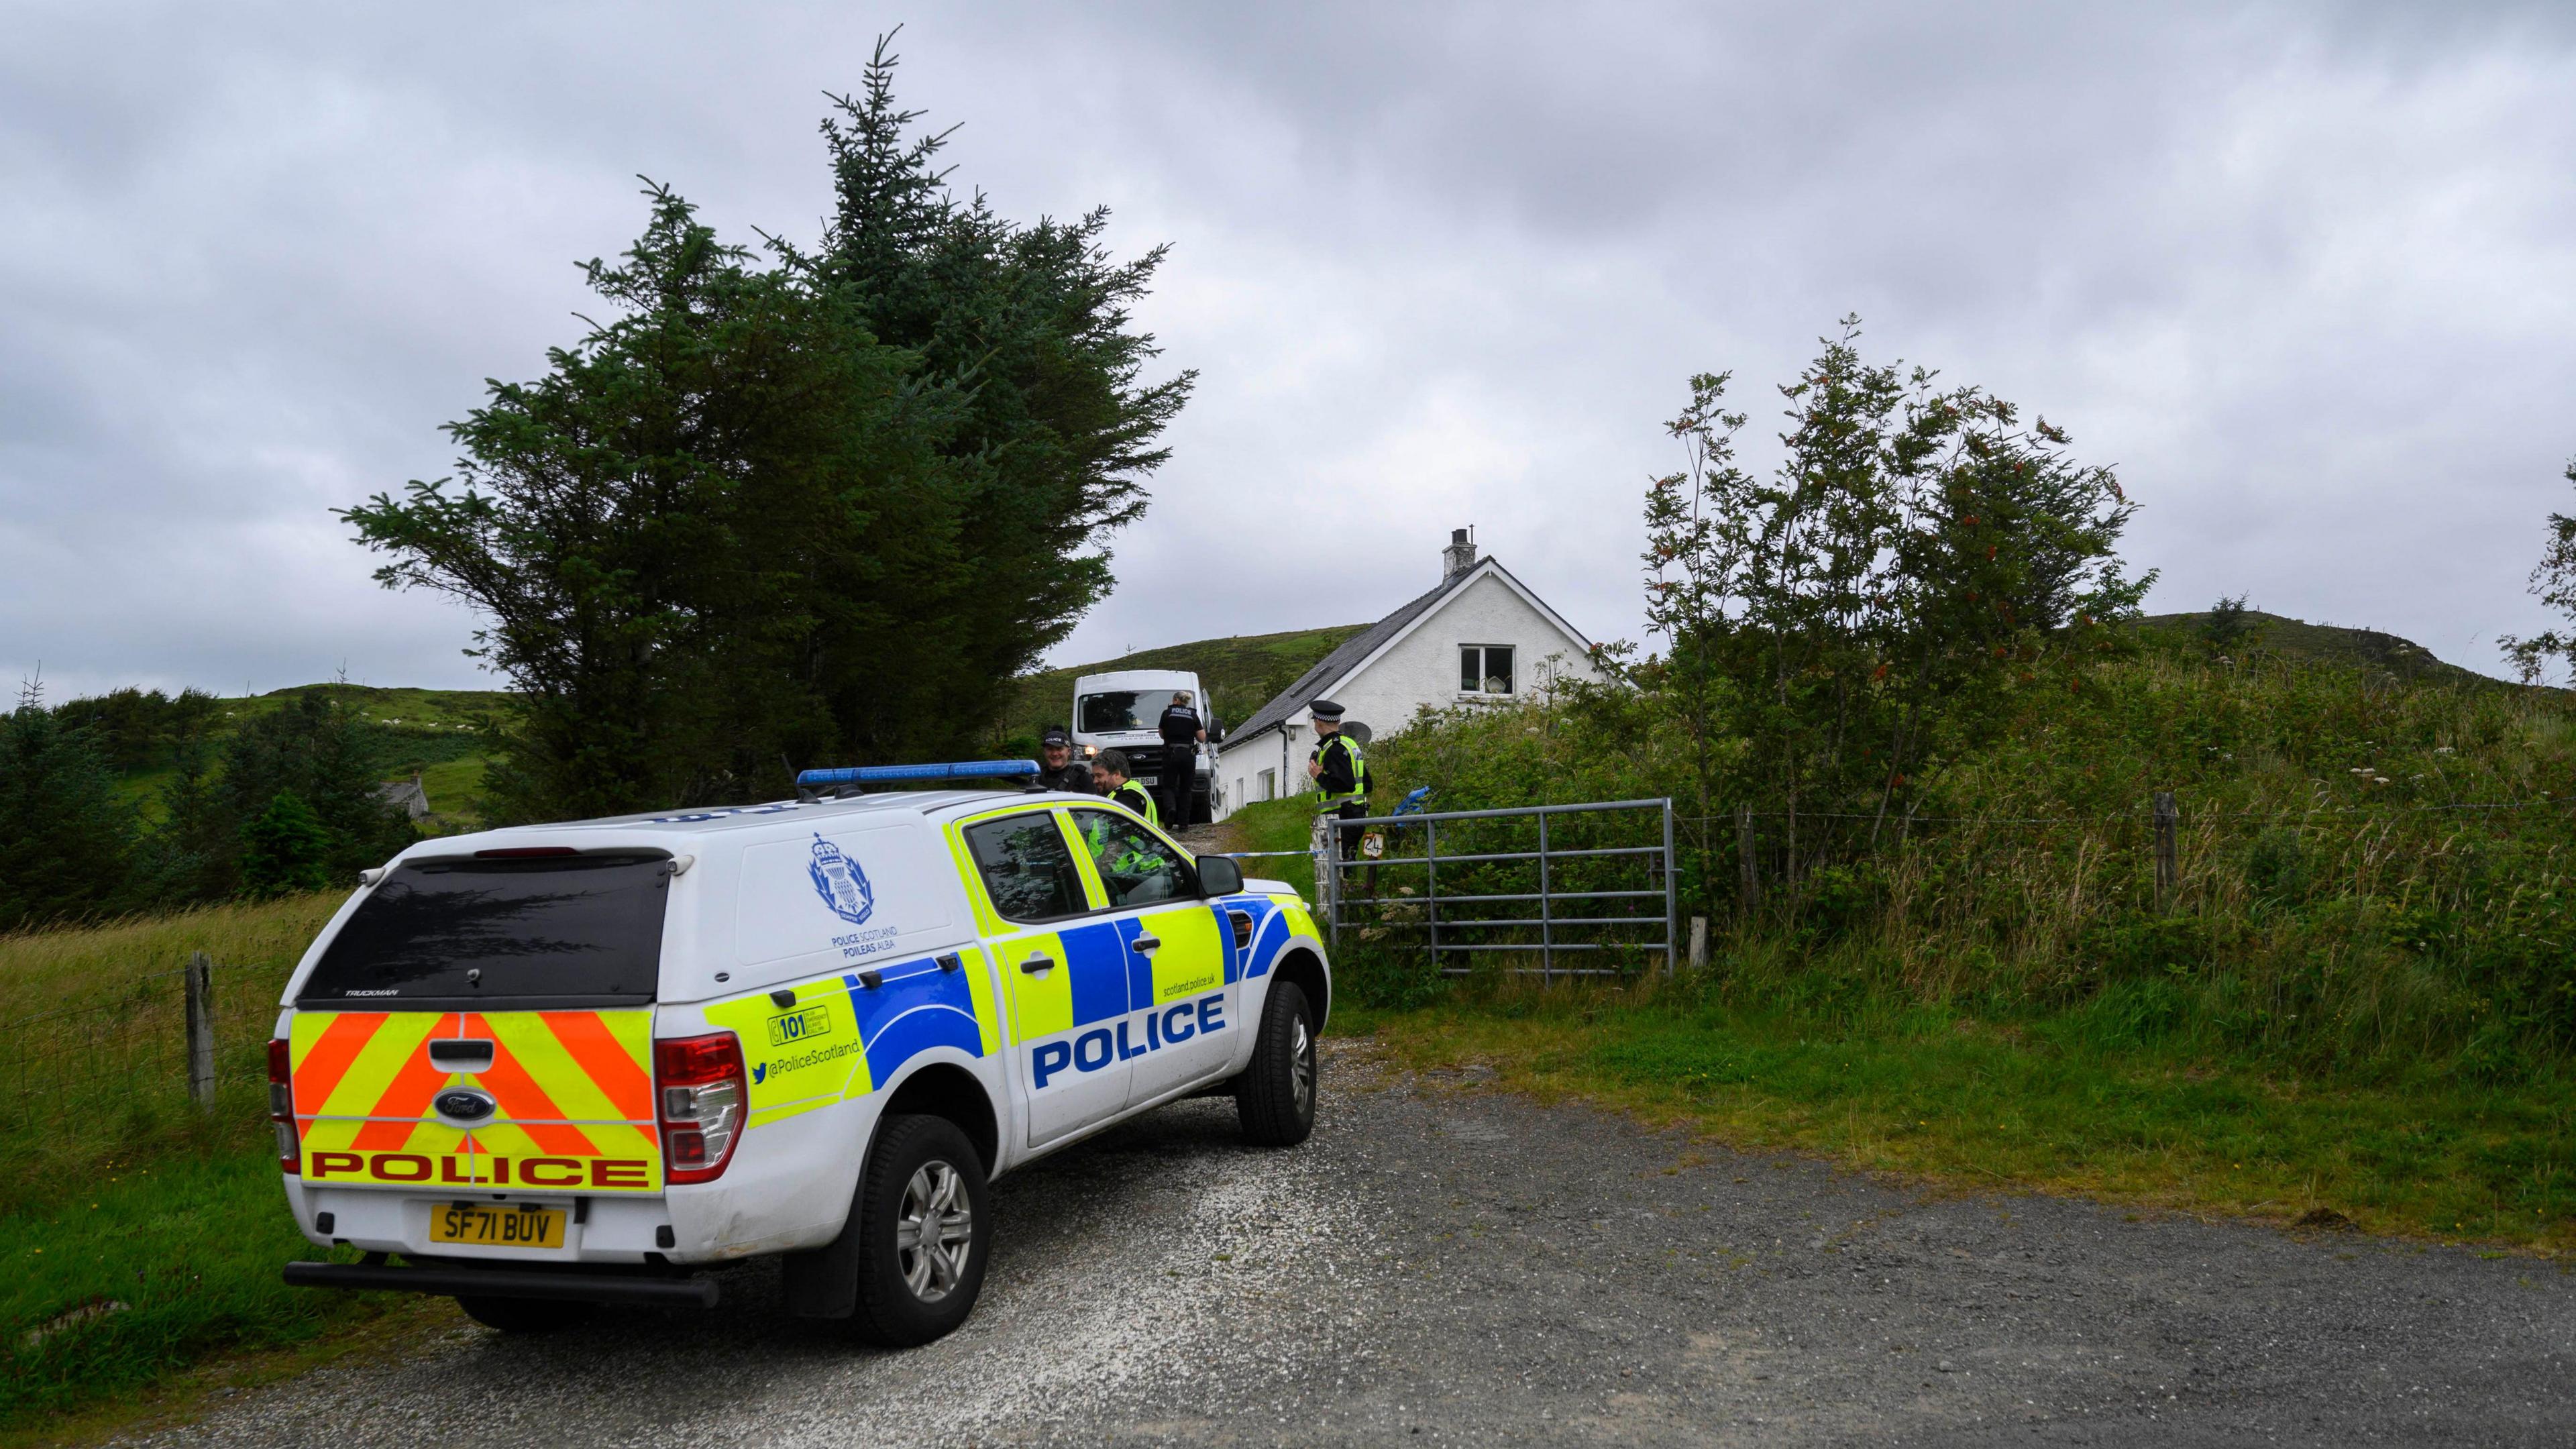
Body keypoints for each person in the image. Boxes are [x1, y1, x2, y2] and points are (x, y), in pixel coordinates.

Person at [1305, 698, 1369, 860]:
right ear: (1338, 721)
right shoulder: (1350, 745)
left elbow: (1345, 784)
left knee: (1336, 871)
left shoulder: (1334, 750)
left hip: (1341, 818)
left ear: (1319, 722)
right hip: (1356, 815)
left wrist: (1319, 776)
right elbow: (1367, 783)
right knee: (1346, 868)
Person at [1155, 690, 1205, 824]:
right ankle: (1184, 823)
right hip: (1188, 755)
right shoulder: (1192, 714)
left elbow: (1161, 734)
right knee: (1186, 789)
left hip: (1171, 754)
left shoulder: (1167, 713)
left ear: (1176, 700)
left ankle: (1171, 809)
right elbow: (1202, 738)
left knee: (1169, 786)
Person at [1090, 749, 1160, 827]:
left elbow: (1119, 833)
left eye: (1099, 776)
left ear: (1117, 774)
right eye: (1094, 776)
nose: (1095, 781)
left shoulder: (1128, 798)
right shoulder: (1129, 791)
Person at [1031, 724, 1095, 794]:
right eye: (1050, 749)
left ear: (1069, 752)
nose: (1055, 754)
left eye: (1059, 749)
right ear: (1044, 752)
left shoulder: (1082, 778)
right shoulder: (1036, 779)